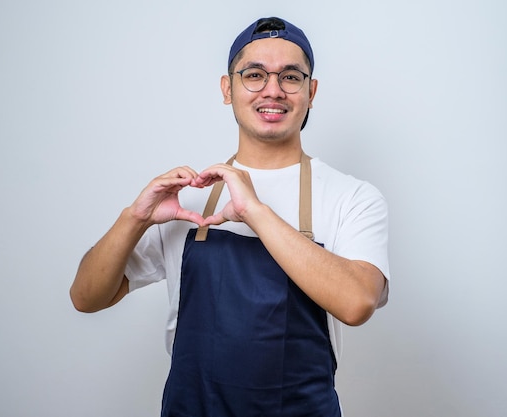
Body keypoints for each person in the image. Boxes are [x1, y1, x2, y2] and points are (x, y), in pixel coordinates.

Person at [71, 16, 390, 417]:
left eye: (291, 77)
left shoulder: (352, 197)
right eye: (254, 74)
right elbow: (85, 297)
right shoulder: (187, 198)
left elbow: (358, 302)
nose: (272, 91)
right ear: (228, 88)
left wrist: (254, 212)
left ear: (311, 91)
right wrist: (133, 218)